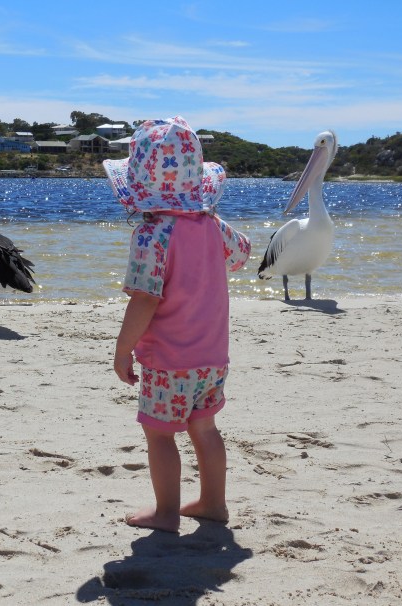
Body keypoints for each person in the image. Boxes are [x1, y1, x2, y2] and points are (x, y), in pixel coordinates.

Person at [104, 116, 251, 533]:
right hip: (212, 356)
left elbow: (145, 299)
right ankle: (213, 503)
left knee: (160, 435)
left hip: (169, 361)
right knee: (205, 428)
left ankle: (166, 512)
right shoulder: (212, 226)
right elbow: (242, 255)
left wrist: (122, 349)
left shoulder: (152, 236)